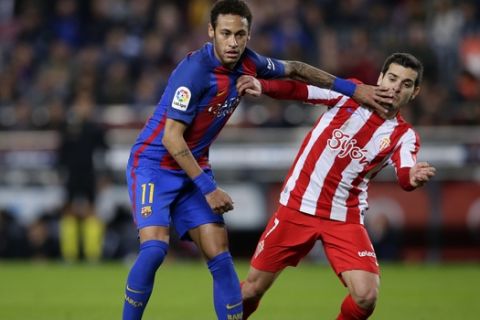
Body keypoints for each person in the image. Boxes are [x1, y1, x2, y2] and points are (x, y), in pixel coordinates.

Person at [122, 1, 393, 319]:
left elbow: (295, 68)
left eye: (240, 34)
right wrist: (209, 189)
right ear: (211, 32)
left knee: (220, 256)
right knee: (155, 250)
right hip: (155, 164)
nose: (233, 42)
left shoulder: (248, 62)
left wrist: (354, 90)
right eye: (225, 33)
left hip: (193, 165)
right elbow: (171, 138)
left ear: (249, 34)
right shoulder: (193, 72)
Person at [238, 52, 436, 319]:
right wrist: (264, 86)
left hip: (344, 217)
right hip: (298, 205)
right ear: (380, 77)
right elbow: (302, 91)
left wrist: (412, 177)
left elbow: (404, 173)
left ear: (414, 92)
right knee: (251, 290)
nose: (396, 87)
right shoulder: (351, 93)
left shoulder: (404, 136)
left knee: (366, 296)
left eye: (406, 84)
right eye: (392, 78)